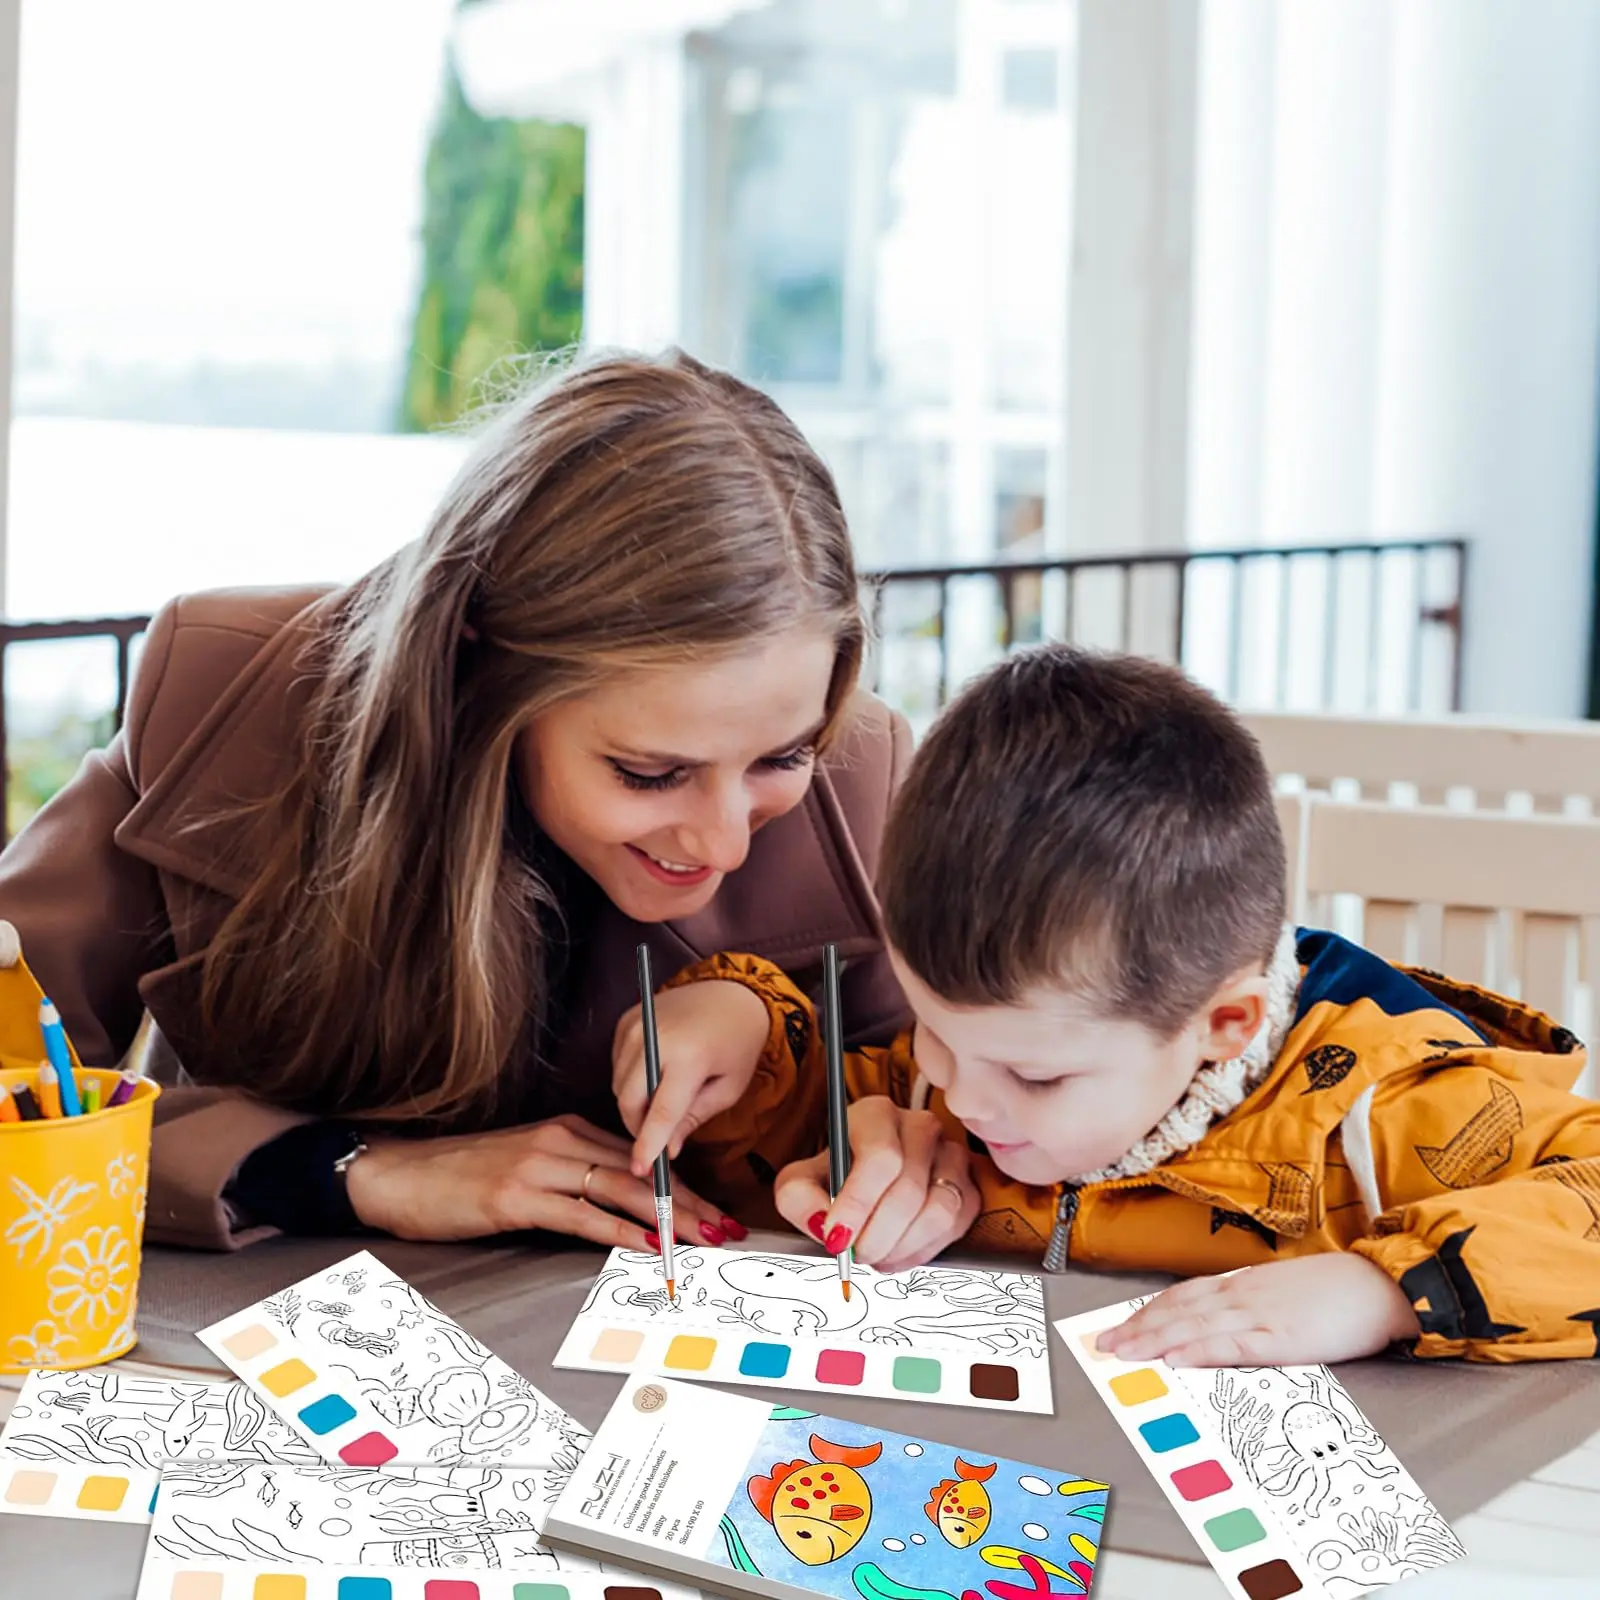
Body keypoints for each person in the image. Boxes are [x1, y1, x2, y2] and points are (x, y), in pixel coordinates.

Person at [0, 349, 910, 1252]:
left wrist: (908, 1145)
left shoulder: (861, 780)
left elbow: (954, 1097)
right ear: (481, 661)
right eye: (649, 772)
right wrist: (348, 1172)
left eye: (782, 756)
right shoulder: (223, 699)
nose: (725, 844)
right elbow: (19, 1080)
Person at [665, 646, 1600, 1363]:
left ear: (1222, 1026)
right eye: (935, 1036)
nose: (964, 1100)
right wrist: (739, 1026)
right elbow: (776, 1157)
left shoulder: (1397, 1108)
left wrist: (1382, 1292)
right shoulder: (970, 1061)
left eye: (1035, 1075)